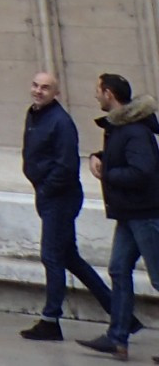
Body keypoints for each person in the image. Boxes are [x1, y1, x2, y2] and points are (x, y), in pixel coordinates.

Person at [22, 72, 116, 341]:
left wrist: (46, 188)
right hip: (50, 196)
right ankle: (121, 313)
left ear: (56, 93)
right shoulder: (35, 115)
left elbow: (65, 166)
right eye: (36, 85)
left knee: (52, 257)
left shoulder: (60, 122)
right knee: (69, 258)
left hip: (60, 198)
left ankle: (50, 320)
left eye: (46, 87)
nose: (39, 91)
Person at [81, 73, 159, 360]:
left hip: (145, 214)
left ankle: (117, 337)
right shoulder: (120, 128)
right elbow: (120, 155)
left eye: (98, 91)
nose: (95, 96)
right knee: (118, 270)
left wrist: (109, 174)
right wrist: (97, 156)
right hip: (129, 214)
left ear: (109, 94)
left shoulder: (134, 130)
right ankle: (117, 338)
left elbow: (142, 170)